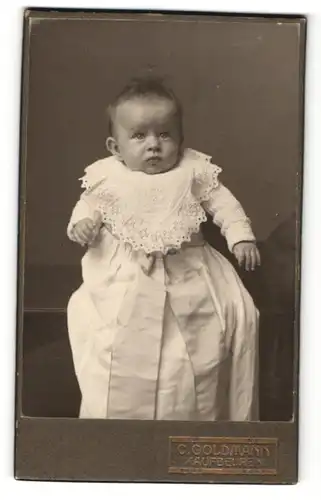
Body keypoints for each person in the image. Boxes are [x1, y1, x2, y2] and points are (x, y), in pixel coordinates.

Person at [66, 77, 261, 421]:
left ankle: (186, 417)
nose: (154, 145)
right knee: (117, 342)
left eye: (165, 134)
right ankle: (118, 425)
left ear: (181, 140)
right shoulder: (107, 177)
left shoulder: (192, 171)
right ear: (115, 147)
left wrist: (240, 236)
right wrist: (82, 224)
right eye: (139, 136)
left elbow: (224, 205)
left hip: (187, 269)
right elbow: (87, 207)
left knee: (190, 353)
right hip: (127, 272)